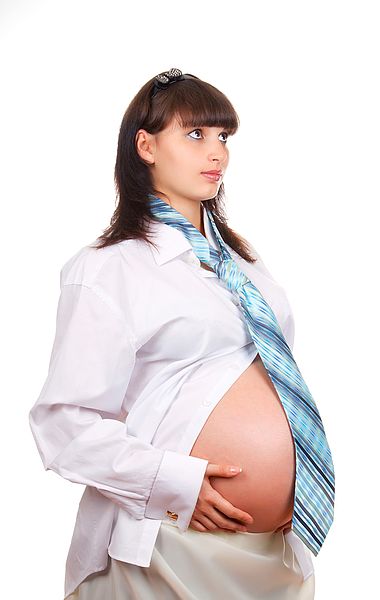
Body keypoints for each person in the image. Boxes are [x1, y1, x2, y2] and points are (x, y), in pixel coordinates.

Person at [29, 68, 321, 599]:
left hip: (274, 552)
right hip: (166, 544)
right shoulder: (108, 269)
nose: (217, 154)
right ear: (145, 146)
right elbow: (64, 424)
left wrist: (289, 485)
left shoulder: (246, 266)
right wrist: (172, 483)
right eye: (195, 135)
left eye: (223, 137)